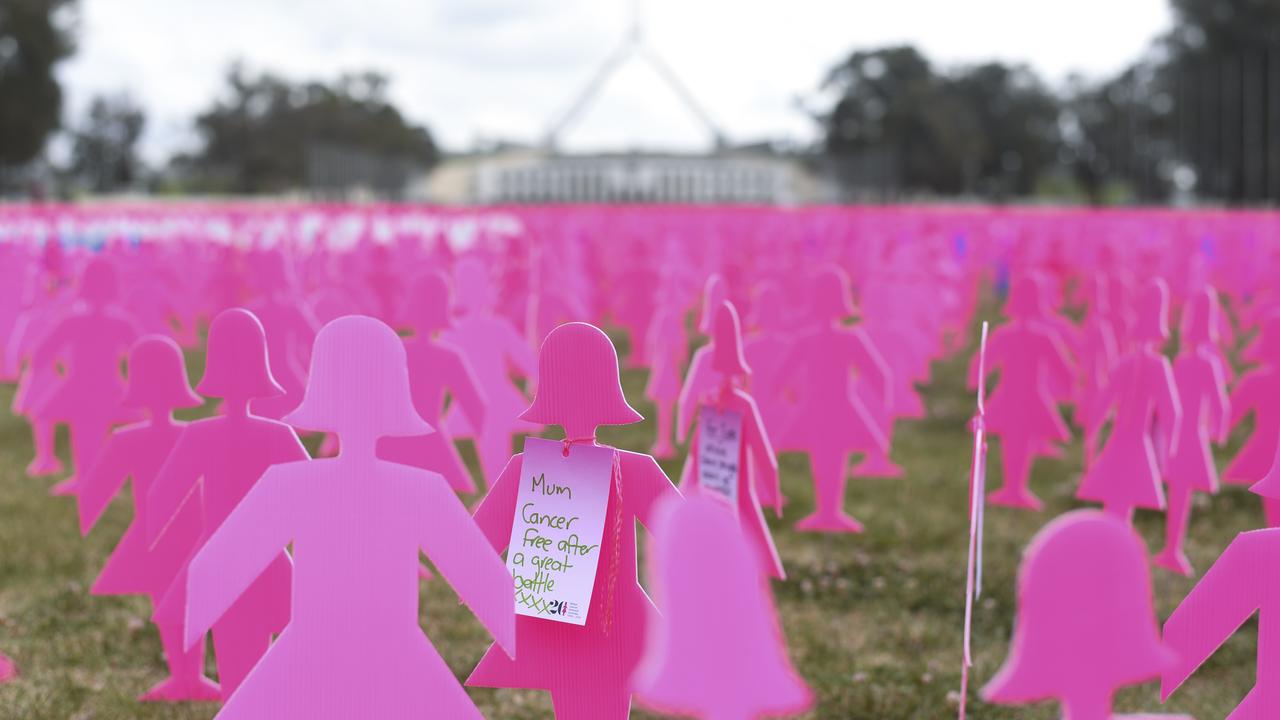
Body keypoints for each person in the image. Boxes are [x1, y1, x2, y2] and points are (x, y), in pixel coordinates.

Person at [182, 315, 514, 719]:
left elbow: (218, 566)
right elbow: (485, 578)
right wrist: (512, 631)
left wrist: (197, 616)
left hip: (312, 649)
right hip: (391, 650)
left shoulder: (292, 483)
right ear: (395, 395)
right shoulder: (418, 489)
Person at [468, 322, 680, 719]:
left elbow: (471, 550)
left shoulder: (527, 472)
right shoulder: (634, 469)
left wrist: (498, 599)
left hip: (558, 621)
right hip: (608, 622)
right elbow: (688, 541)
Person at [78, 335, 217, 700]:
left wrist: (88, 513)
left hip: (176, 532)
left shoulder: (177, 436)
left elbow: (96, 489)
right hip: (165, 534)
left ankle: (190, 677)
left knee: (180, 601)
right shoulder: (182, 435)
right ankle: (185, 677)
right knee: (173, 602)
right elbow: (99, 485)